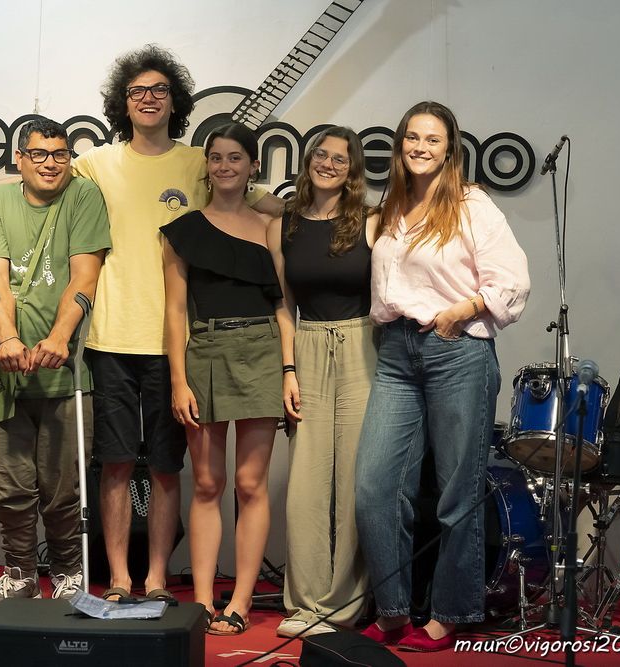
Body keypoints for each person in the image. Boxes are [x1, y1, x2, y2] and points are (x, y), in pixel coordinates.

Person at [73, 44, 282, 602]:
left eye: (159, 90)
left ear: (175, 101)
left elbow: (266, 208)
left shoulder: (199, 162)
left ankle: (158, 578)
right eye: (138, 91)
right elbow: (37, 183)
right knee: (116, 463)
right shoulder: (96, 163)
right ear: (123, 102)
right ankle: (120, 578)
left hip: (180, 346)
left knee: (169, 467)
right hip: (112, 336)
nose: (148, 99)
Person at [354, 101, 530, 651]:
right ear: (400, 144)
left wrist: (462, 309)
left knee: (456, 491)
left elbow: (513, 282)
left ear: (450, 148)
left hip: (456, 349)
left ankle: (450, 612)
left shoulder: (472, 203)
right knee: (375, 487)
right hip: (396, 351)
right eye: (413, 137)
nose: (421, 147)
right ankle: (393, 611)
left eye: (433, 139)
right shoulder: (391, 206)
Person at [0, 117, 110, 609]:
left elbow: (84, 278)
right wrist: (7, 337)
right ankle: (20, 575)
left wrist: (58, 337)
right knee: (11, 487)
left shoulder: (84, 196)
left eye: (60, 154)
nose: (50, 163)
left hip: (67, 370)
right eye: (39, 154)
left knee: (63, 487)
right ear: (20, 159)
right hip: (7, 370)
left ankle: (68, 573)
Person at [161, 122, 283, 635]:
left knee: (250, 484)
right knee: (208, 483)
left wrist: (290, 370)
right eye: (216, 157)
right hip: (205, 352)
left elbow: (283, 305)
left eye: (236, 157)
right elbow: (174, 312)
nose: (225, 166)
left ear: (253, 166)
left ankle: (241, 601)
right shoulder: (182, 230)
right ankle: (202, 599)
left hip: (262, 351)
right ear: (206, 166)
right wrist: (178, 380)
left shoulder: (273, 226)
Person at [267, 126, 378, 637]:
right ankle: (305, 603)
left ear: (352, 169)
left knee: (354, 481)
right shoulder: (283, 224)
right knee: (306, 484)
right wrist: (288, 369)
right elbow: (283, 305)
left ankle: (343, 605)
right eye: (321, 154)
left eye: (340, 158)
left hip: (362, 345)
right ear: (308, 159)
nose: (328, 164)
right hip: (307, 346)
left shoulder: (372, 221)